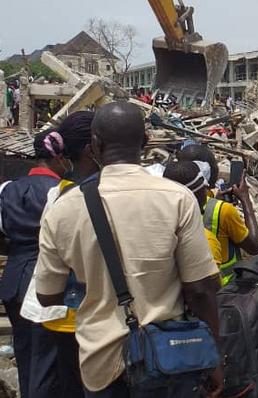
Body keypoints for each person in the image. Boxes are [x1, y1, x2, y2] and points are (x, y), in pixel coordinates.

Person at [35, 102, 223, 397]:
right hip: (169, 361)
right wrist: (215, 358)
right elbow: (200, 289)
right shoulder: (178, 199)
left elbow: (47, 296)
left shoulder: (63, 210)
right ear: (145, 142)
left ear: (94, 145)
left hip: (101, 363)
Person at [20, 112, 99, 398]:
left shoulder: (60, 195)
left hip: (61, 314)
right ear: (94, 147)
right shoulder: (73, 197)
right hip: (90, 318)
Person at [0, 130, 70, 397]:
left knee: (26, 353)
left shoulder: (8, 189)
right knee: (48, 360)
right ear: (60, 157)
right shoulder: (61, 193)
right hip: (46, 281)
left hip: (14, 280)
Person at [177, 144, 258, 285]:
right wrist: (246, 200)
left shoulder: (174, 207)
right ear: (209, 172)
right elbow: (254, 247)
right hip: (224, 289)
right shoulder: (223, 210)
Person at [163, 161, 223, 268]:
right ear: (198, 195)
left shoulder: (151, 228)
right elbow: (209, 283)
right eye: (204, 188)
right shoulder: (205, 241)